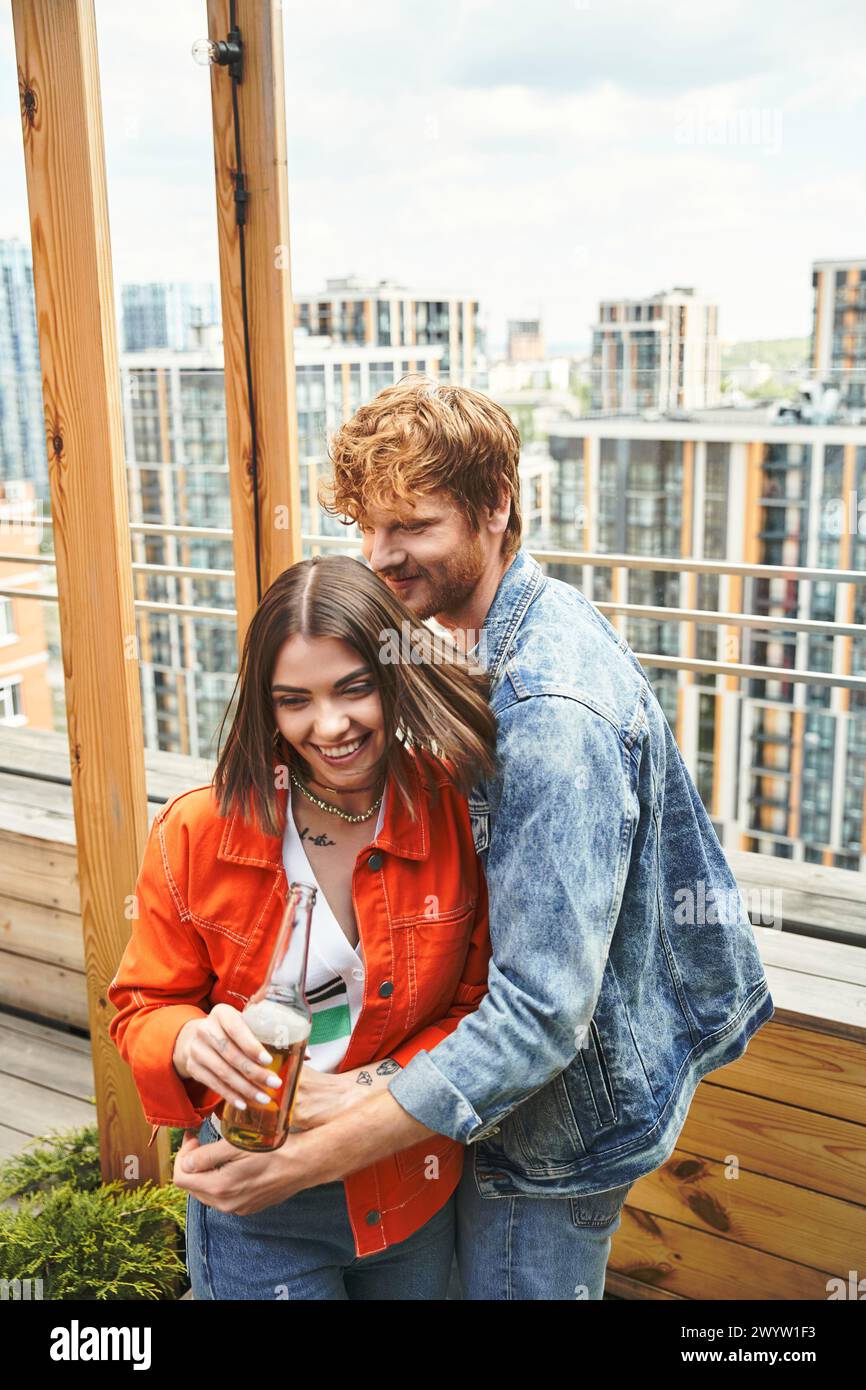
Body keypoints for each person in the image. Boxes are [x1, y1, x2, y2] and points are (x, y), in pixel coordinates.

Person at [177, 376, 775, 1302]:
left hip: (551, 1130)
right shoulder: (474, 630)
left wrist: (312, 1154)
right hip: (501, 1106)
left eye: (412, 526)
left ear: (497, 507)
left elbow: (538, 1017)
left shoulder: (549, 712)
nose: (381, 558)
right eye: (366, 530)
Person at [108, 553, 498, 1300]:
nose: (331, 726)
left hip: (409, 1188)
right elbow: (141, 1008)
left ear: (393, 678)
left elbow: (478, 1007)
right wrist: (187, 1040)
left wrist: (365, 1090)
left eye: (355, 689)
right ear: (268, 707)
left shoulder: (453, 809)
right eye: (296, 701)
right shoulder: (194, 832)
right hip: (257, 1197)